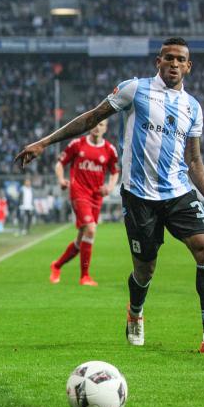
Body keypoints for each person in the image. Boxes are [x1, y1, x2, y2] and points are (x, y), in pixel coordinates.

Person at [16, 37, 204, 355]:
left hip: (178, 192)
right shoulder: (135, 89)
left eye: (180, 59)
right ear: (158, 61)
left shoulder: (192, 107)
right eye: (168, 58)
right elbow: (91, 117)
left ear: (189, 66)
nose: (174, 63)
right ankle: (135, 311)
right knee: (145, 269)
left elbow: (194, 159)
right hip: (139, 196)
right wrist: (43, 143)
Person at [49, 119, 120, 286]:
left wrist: (110, 186)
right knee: (91, 229)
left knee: (82, 238)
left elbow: (115, 171)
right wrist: (61, 179)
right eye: (95, 124)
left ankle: (57, 265)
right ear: (90, 126)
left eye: (101, 125)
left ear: (105, 128)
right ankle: (85, 276)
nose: (97, 127)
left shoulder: (109, 149)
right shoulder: (77, 144)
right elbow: (60, 164)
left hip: (96, 196)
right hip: (79, 193)